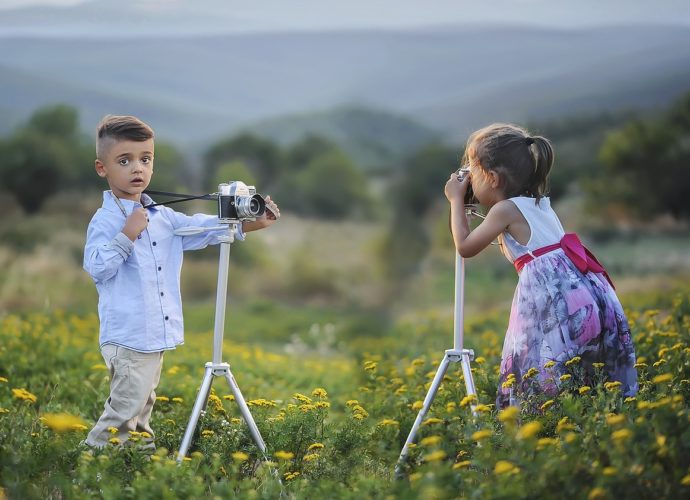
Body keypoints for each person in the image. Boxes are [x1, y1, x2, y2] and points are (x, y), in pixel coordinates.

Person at [83, 115, 280, 449]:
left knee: (142, 405)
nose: (137, 169)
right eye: (125, 161)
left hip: (153, 334)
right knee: (124, 409)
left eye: (145, 160)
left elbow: (200, 228)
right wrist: (127, 235)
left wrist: (249, 224)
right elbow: (97, 267)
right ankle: (90, 464)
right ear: (102, 168)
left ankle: (136, 462)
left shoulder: (163, 216)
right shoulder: (106, 220)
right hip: (129, 335)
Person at [444, 123, 637, 409]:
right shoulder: (539, 203)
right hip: (589, 295)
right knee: (583, 375)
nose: (468, 178)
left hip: (554, 304)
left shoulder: (504, 210)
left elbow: (465, 247)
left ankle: (541, 427)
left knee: (539, 367)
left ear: (493, 178)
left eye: (473, 169)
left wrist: (455, 200)